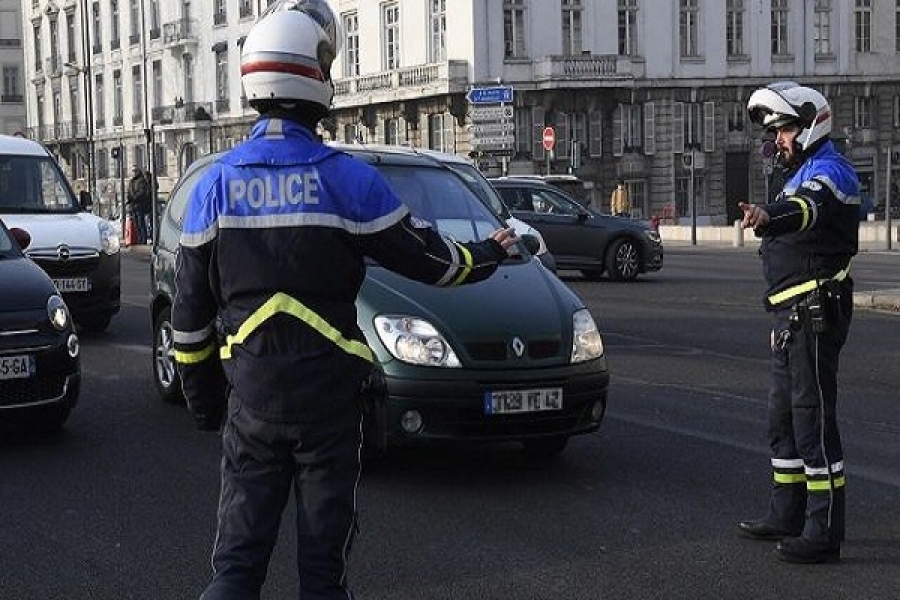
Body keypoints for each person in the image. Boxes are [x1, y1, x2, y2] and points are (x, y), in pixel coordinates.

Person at [170, 1, 519, 598]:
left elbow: (188, 320)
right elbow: (432, 262)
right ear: (313, 77)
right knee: (322, 575)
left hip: (251, 403)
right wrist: (489, 251)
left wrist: (206, 405)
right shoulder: (347, 180)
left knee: (236, 570)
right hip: (328, 409)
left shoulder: (215, 187)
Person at [737, 82, 861, 564]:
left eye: (785, 129)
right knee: (783, 419)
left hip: (815, 312)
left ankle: (823, 531)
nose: (778, 140)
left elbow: (806, 210)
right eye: (774, 132)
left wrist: (769, 215)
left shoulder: (830, 171)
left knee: (813, 420)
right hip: (790, 316)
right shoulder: (797, 172)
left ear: (811, 124)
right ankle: (785, 512)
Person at [126, 166, 152, 244]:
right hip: (133, 205)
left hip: (140, 205)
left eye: (135, 171)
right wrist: (129, 198)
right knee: (136, 224)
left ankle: (143, 239)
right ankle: (139, 238)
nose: (134, 172)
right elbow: (129, 191)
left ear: (138, 171)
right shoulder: (131, 182)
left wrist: (133, 197)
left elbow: (142, 192)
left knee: (141, 223)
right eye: (133, 171)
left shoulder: (142, 180)